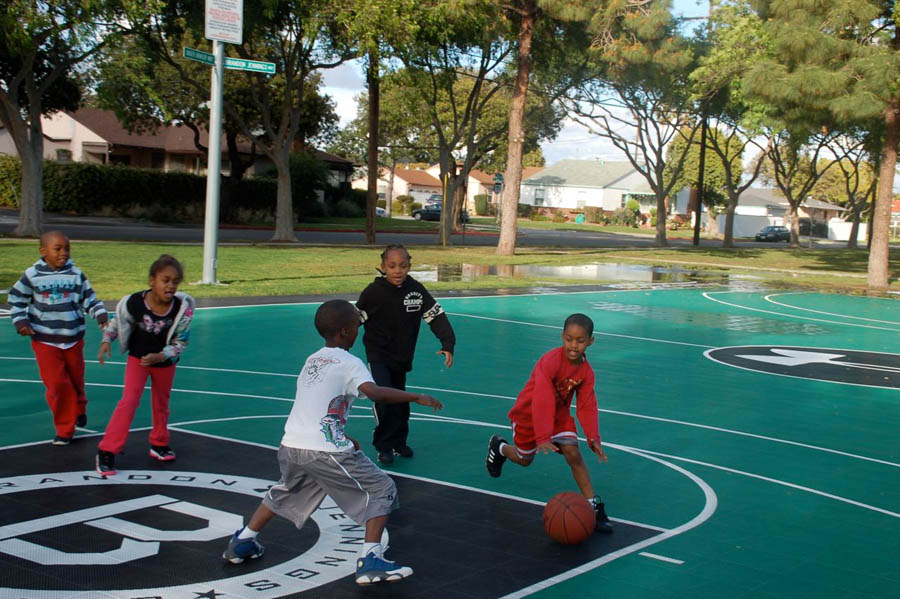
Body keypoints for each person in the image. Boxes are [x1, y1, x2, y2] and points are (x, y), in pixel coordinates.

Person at [221, 299, 443, 585]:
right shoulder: (351, 363)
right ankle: (370, 560)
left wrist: (342, 434)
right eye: (356, 324)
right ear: (344, 331)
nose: (358, 329)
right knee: (382, 489)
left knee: (286, 491)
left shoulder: (313, 359)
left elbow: (313, 404)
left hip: (292, 444)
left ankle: (244, 540)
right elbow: (373, 392)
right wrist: (415, 397)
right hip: (324, 450)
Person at [485, 313, 613, 534]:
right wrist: (543, 437)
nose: (574, 345)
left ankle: (592, 505)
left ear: (590, 341)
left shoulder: (586, 372)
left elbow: (587, 405)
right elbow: (541, 399)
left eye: (580, 340)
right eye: (569, 339)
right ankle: (500, 447)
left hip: (558, 416)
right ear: (562, 337)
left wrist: (593, 437)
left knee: (573, 452)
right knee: (525, 460)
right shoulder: (550, 362)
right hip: (528, 415)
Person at [356, 244, 455, 465]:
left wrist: (448, 343)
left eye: (403, 265)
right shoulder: (373, 292)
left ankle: (399, 443)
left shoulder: (416, 291)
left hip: (401, 357)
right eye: (392, 266)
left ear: (410, 265)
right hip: (378, 355)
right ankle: (384, 446)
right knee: (384, 399)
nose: (397, 270)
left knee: (401, 401)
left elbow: (435, 315)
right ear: (383, 267)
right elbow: (354, 320)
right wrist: (339, 345)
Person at [95, 254, 194, 475]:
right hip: (138, 360)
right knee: (129, 401)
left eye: (175, 281)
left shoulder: (182, 308)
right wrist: (106, 340)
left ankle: (159, 443)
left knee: (161, 403)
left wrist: (161, 356)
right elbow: (118, 322)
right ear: (152, 280)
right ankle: (107, 450)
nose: (170, 286)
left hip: (164, 362)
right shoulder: (134, 303)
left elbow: (181, 342)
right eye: (165, 280)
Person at [8, 231, 108, 445]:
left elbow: (89, 298)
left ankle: (79, 406)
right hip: (44, 339)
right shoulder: (32, 275)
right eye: (58, 248)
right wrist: (21, 322)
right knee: (56, 385)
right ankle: (65, 428)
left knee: (75, 380)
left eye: (67, 248)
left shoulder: (75, 274)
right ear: (43, 251)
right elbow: (16, 300)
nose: (63, 253)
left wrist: (100, 315)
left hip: (73, 338)